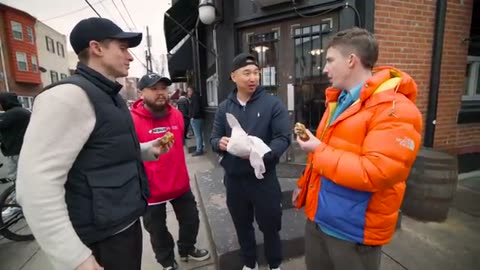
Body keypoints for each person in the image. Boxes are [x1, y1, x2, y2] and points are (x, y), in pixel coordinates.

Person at [16, 17, 173, 270]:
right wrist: (74, 257)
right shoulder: (68, 96)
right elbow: (35, 186)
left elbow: (103, 154)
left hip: (124, 225)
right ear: (97, 48)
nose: (130, 56)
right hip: (99, 241)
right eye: (122, 48)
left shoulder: (110, 95)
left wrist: (146, 150)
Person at [293, 27, 422, 270]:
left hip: (353, 234)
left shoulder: (396, 109)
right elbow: (331, 153)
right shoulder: (338, 100)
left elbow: (377, 172)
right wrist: (304, 186)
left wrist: (318, 149)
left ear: (351, 60)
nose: (324, 69)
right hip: (318, 219)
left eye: (330, 60)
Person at [210, 53, 291, 270]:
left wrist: (265, 154)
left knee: (271, 225)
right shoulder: (224, 108)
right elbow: (214, 138)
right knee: (242, 225)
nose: (253, 78)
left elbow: (283, 137)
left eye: (256, 73)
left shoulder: (272, 104)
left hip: (264, 180)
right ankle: (250, 263)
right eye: (247, 73)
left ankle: (275, 264)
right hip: (235, 180)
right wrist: (221, 142)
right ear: (233, 76)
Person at [131, 73, 210, 270]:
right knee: (157, 231)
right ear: (141, 93)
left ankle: (186, 249)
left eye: (163, 88)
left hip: (179, 184)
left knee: (191, 220)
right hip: (151, 192)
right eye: (154, 89)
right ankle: (167, 262)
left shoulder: (175, 115)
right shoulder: (130, 120)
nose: (161, 93)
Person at [0, 92, 31, 180]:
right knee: (21, 174)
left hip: (15, 149)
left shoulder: (13, 113)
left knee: (15, 176)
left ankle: (16, 193)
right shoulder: (21, 111)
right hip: (21, 148)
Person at [188, 86, 204, 156]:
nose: (188, 93)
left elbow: (195, 108)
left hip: (196, 118)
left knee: (197, 135)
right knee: (200, 134)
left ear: (191, 91)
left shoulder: (194, 97)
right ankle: (200, 147)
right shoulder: (197, 96)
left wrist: (193, 117)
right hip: (200, 117)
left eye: (188, 91)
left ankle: (199, 150)